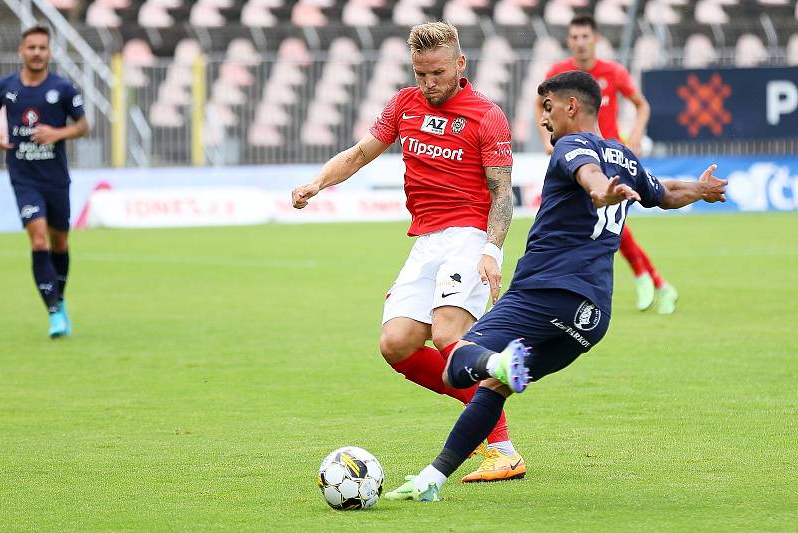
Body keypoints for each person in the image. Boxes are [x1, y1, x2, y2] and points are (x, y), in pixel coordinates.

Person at [385, 70, 727, 501]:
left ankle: (499, 363)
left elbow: (588, 175)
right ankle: (431, 480)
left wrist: (600, 191)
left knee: (458, 364)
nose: (544, 120)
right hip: (591, 316)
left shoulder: (573, 145)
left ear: (571, 106)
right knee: (494, 388)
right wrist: (701, 189)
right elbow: (665, 192)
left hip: (544, 292)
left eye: (548, 108)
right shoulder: (624, 156)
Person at [292, 22, 525, 482]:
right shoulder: (403, 104)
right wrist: (316, 183)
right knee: (395, 344)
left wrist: (492, 251)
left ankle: (502, 445)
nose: (428, 83)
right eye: (420, 73)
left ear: (460, 64)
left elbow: (502, 194)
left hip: (468, 235)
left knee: (446, 334)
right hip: (426, 240)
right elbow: (359, 154)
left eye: (437, 72)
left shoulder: (486, 116)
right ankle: (488, 417)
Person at [535, 14, 679, 314]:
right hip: (579, 156)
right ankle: (654, 280)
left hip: (612, 160)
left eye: (585, 37)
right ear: (569, 41)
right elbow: (541, 106)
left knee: (608, 221)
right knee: (608, 224)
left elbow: (641, 104)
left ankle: (649, 279)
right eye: (574, 37)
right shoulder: (560, 75)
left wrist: (636, 133)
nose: (580, 43)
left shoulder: (612, 72)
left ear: (596, 39)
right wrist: (549, 141)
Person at [0, 26, 90, 338]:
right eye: (31, 47)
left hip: (55, 179)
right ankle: (53, 313)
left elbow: (83, 126)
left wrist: (57, 133)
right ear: (22, 51)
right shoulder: (6, 86)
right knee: (38, 239)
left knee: (60, 243)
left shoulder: (62, 89)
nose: (37, 52)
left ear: (49, 52)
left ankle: (60, 299)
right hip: (23, 178)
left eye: (42, 47)